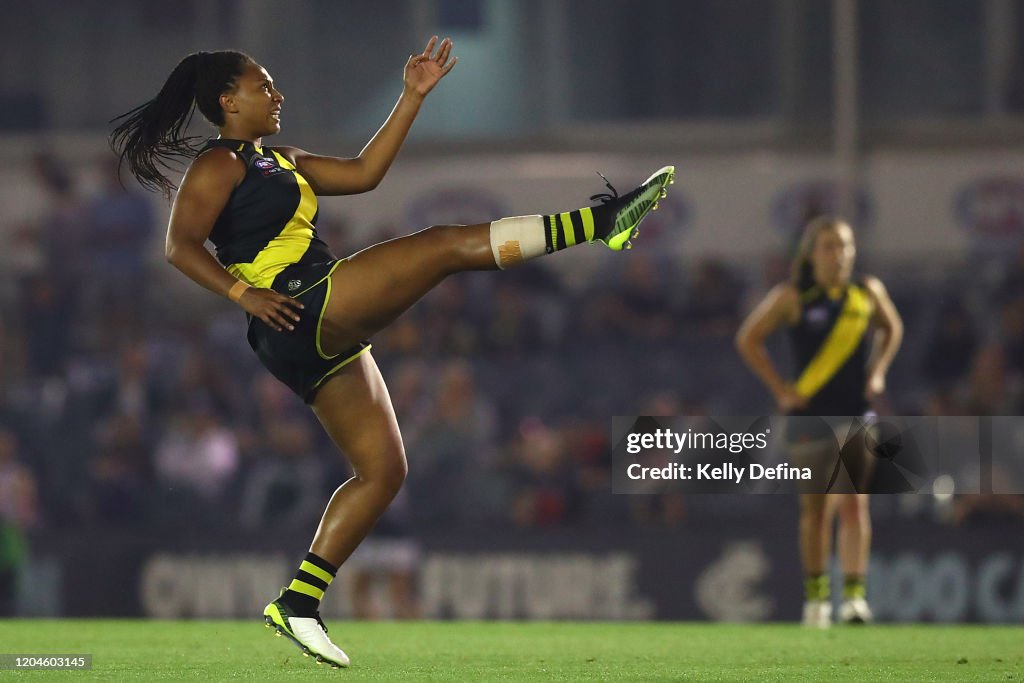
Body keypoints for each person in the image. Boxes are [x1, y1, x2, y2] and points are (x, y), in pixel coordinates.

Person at [110, 39, 674, 668]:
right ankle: (603, 224)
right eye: (264, 86)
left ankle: (297, 603)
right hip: (300, 304)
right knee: (441, 246)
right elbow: (178, 247)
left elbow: (364, 174)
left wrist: (411, 97)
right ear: (227, 100)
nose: (277, 95)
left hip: (305, 327)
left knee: (384, 473)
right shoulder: (218, 166)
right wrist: (244, 293)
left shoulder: (281, 158)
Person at [735, 216, 902, 628]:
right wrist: (780, 389)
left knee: (853, 505)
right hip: (809, 415)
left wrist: (878, 370)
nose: (838, 254)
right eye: (829, 246)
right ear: (811, 254)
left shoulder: (866, 292)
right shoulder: (793, 297)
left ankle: (854, 598)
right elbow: (749, 339)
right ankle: (815, 599)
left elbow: (891, 328)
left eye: (844, 246)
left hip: (856, 412)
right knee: (815, 510)